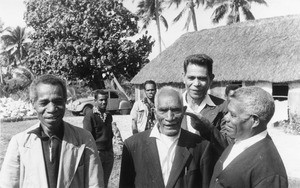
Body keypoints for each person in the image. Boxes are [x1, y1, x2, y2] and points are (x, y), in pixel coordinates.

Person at [0, 74, 104, 188]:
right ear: (32, 104)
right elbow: (8, 184)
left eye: (58, 101)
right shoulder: (19, 143)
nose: (51, 109)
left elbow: (95, 184)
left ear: (65, 101)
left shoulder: (84, 139)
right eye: (44, 103)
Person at [119, 86, 217, 188]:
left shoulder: (201, 147)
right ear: (155, 112)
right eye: (163, 110)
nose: (169, 117)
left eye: (175, 110)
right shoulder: (133, 146)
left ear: (184, 111)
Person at [209, 86, 288, 188]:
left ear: (254, 120)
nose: (225, 118)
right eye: (227, 112)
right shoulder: (239, 140)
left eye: (233, 115)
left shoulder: (270, 171)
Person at [83, 90, 114, 188]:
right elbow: (87, 138)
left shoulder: (108, 116)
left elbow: (110, 134)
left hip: (108, 153)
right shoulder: (90, 116)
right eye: (101, 100)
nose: (104, 102)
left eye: (105, 100)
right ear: (95, 101)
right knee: (96, 182)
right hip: (97, 154)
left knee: (105, 182)